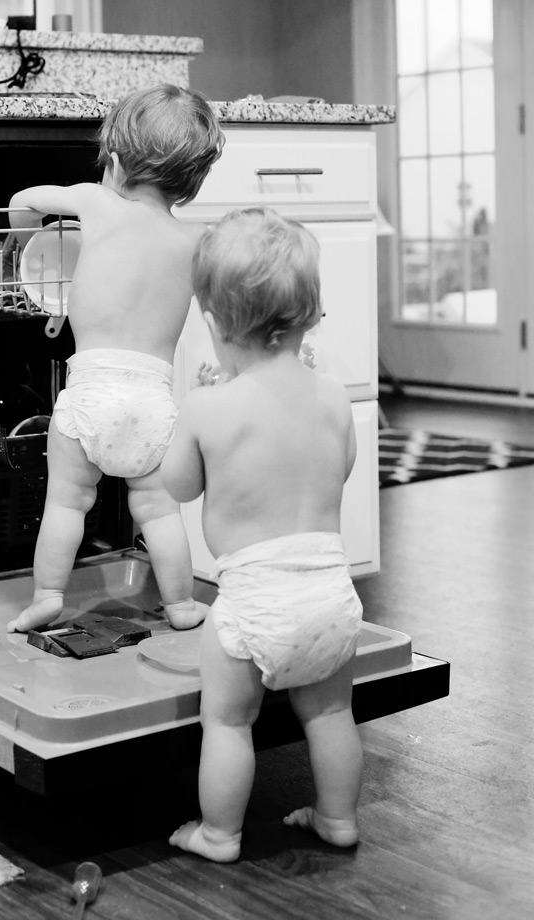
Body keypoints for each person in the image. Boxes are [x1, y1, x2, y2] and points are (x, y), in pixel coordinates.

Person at [163, 206, 364, 862]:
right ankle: (338, 819)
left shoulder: (209, 406)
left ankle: (219, 833)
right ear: (310, 313)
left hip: (254, 606)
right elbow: (343, 465)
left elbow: (178, 485)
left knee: (227, 721)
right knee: (330, 715)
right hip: (331, 597)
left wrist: (193, 414)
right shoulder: (333, 396)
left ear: (215, 323)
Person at [6, 83, 225, 634]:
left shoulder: (95, 201)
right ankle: (181, 604)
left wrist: (25, 236)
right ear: (192, 180)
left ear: (117, 162)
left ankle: (48, 595)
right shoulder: (195, 240)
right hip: (155, 405)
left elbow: (22, 201)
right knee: (160, 512)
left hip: (91, 396)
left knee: (66, 505)